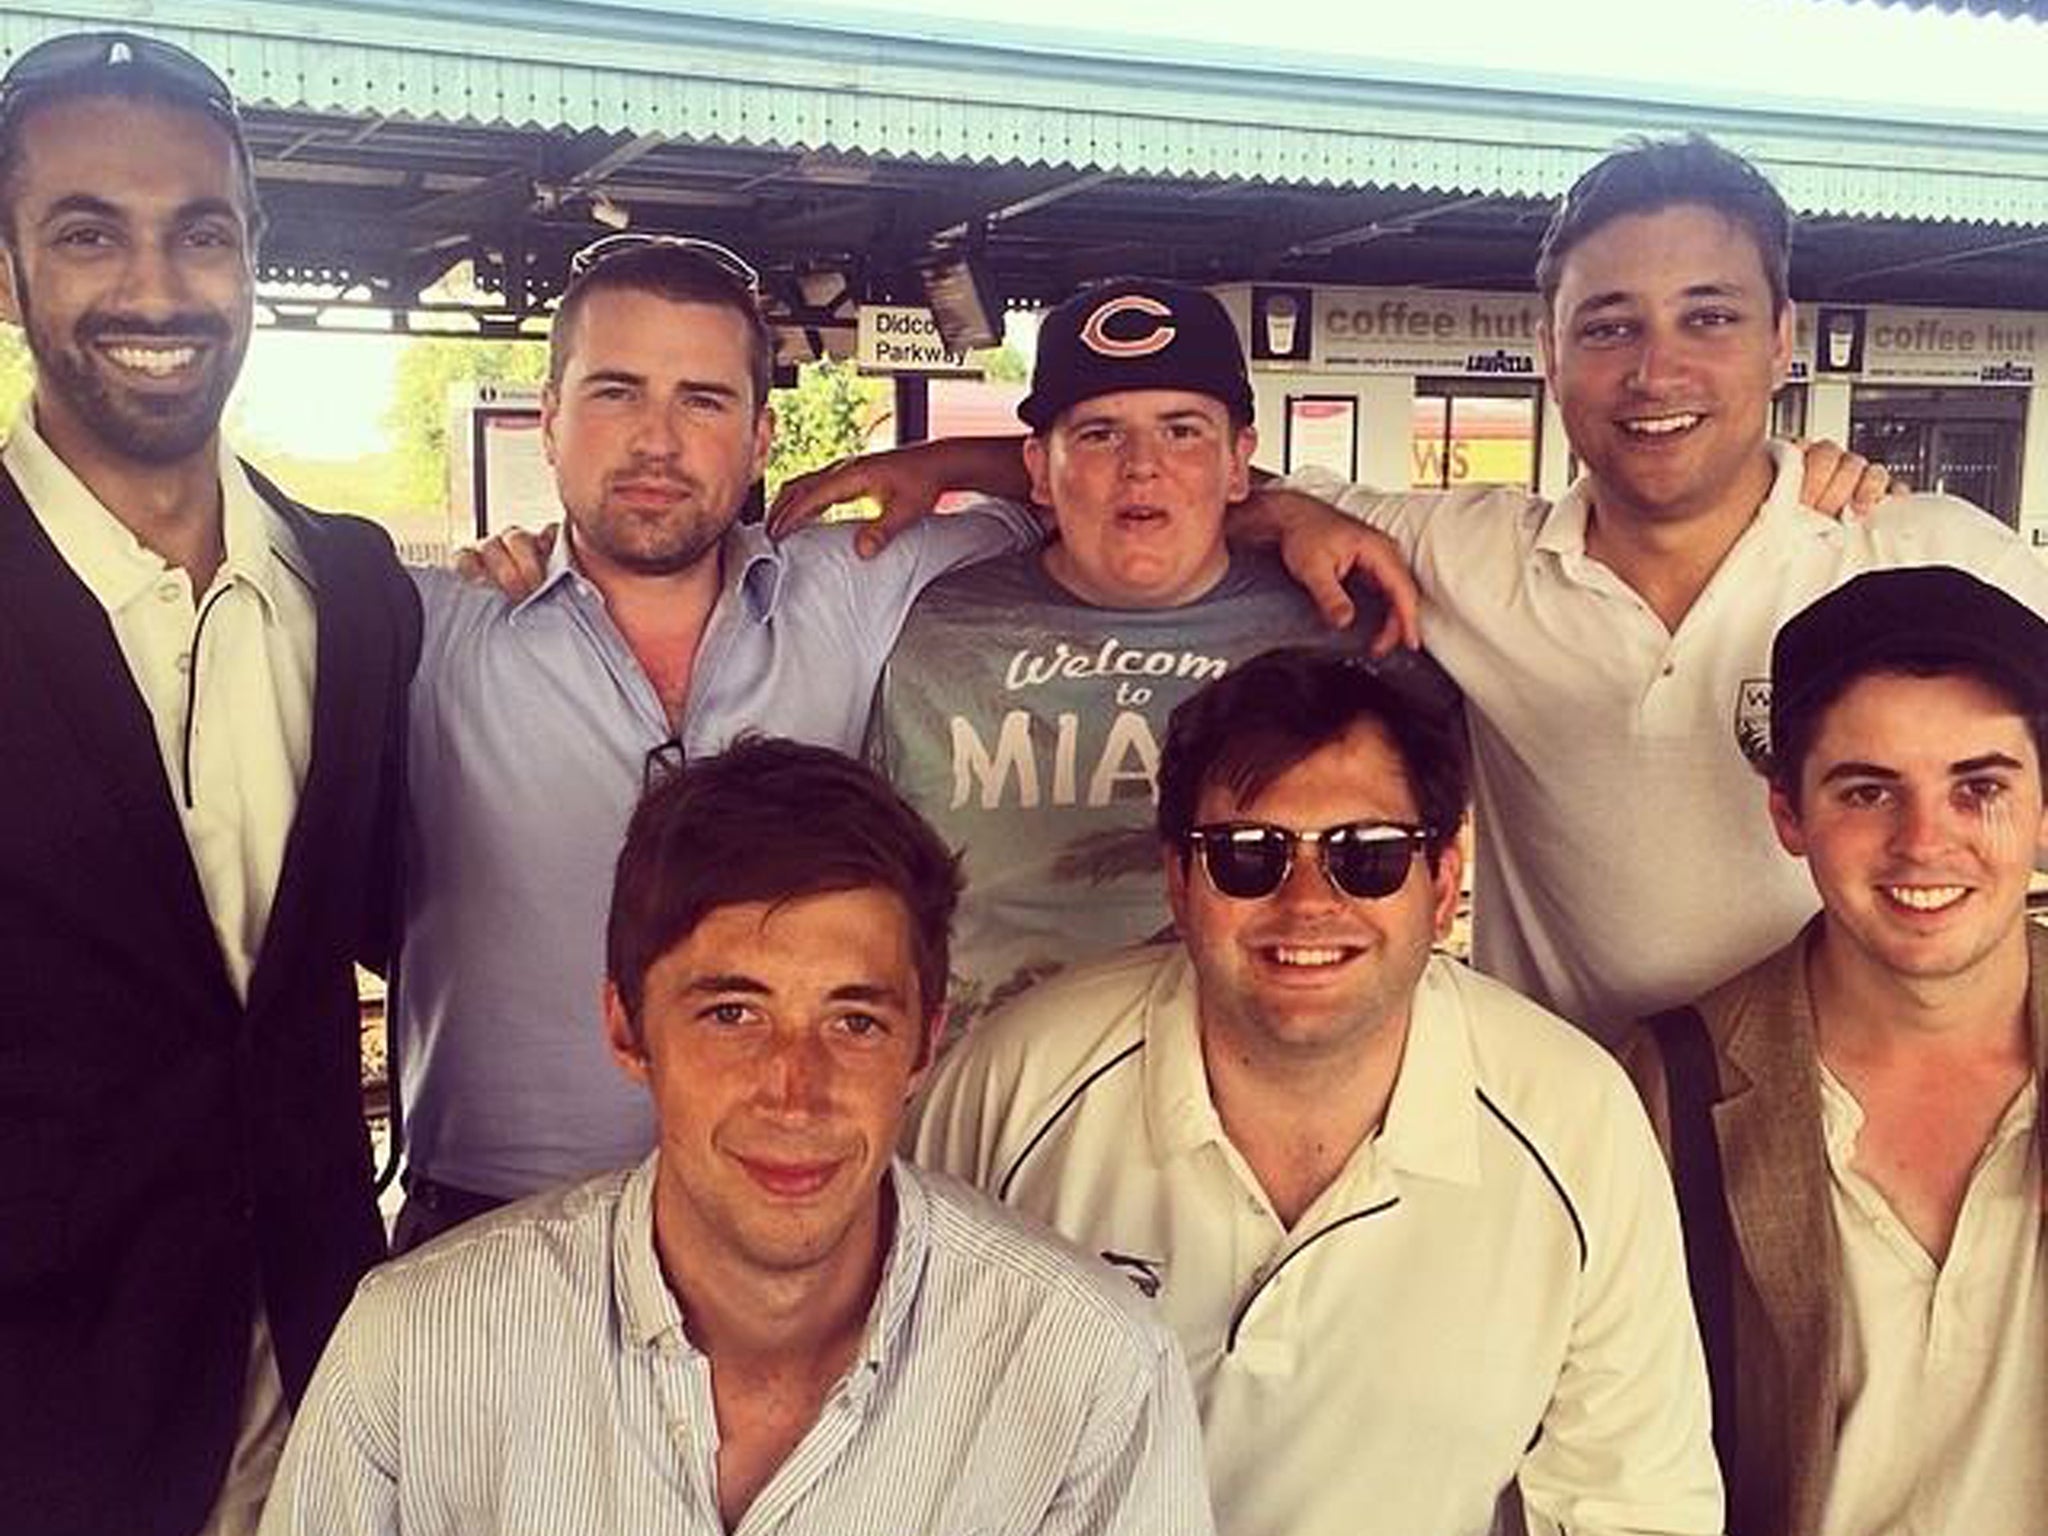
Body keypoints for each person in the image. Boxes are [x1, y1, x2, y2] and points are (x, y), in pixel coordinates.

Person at [778, 133, 2024, 1045]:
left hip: (1861, 1107)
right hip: (1558, 1118)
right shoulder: (1465, 560)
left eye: (1705, 317)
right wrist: (955, 461)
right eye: (1606, 325)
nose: (1656, 370)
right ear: (1547, 351)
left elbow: (1200, 474)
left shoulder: (1918, 562)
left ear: (1780, 337)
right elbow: (1198, 481)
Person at [402, 250, 1416, 1245]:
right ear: (547, 419)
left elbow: (1095, 494)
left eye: (704, 401)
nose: (658, 440)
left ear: (760, 438)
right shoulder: (429, 632)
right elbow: (1066, 476)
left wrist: (1277, 509)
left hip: (807, 1188)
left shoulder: (862, 580)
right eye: (616, 393)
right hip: (504, 1211)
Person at [262, 739, 1214, 1536]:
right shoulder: (418, 1348)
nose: (794, 1092)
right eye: (731, 1015)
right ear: (628, 1029)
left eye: (855, 1022)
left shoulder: (1089, 1367)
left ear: (925, 1044)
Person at [913, 648, 1720, 1536]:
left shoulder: (1575, 1120)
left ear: (1443, 881)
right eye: (1247, 856)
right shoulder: (1015, 1084)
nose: (1306, 903)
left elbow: (1634, 1505)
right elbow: (902, 1429)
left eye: (1366, 856)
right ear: (1180, 883)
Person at [0, 32, 419, 1536]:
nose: (156, 288)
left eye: (201, 231)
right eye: (86, 230)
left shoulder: (359, 590)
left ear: (253, 258)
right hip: (43, 1430)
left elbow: (371, 922)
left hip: (324, 1395)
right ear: (6, 268)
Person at [867, 277, 1453, 1032]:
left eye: (1183, 431)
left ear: (1240, 463)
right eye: (1099, 434)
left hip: (1264, 1073)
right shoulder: (926, 631)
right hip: (983, 1090)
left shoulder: (1350, 631)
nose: (1142, 466)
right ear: (1039, 470)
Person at [1621, 567, 2048, 1536]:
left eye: (1977, 786)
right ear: (1787, 815)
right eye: (1865, 791)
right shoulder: (1666, 1089)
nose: (1921, 842)